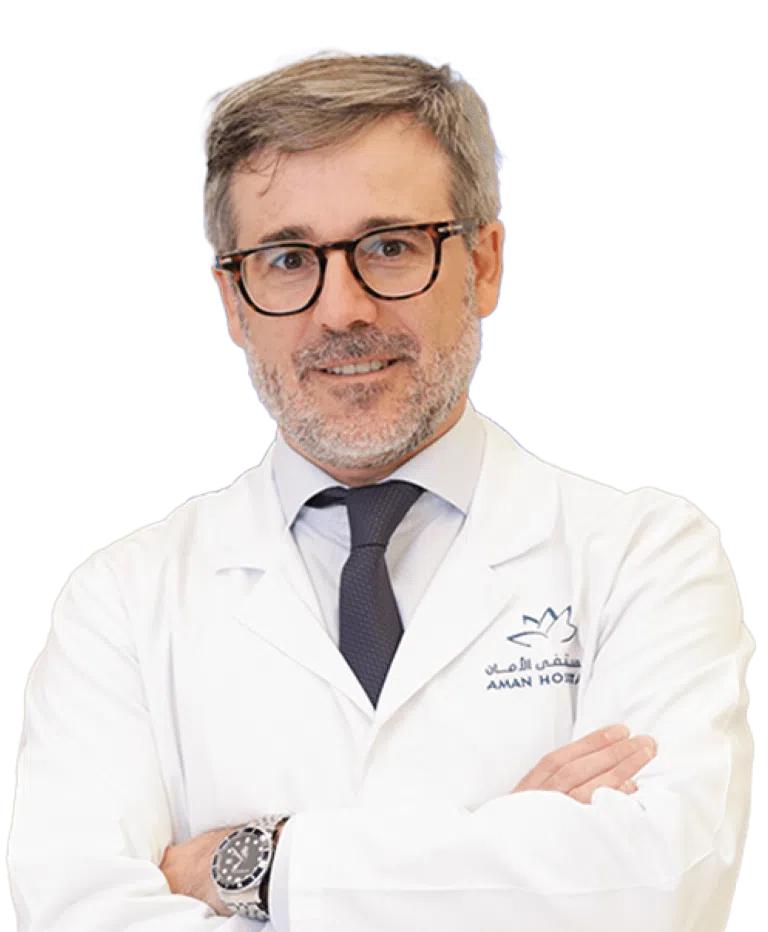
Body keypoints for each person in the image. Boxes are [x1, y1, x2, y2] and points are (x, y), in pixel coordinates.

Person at [8, 49, 753, 931]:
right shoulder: (122, 607)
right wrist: (519, 856)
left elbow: (659, 888)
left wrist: (250, 864)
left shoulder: (644, 559)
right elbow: (80, 916)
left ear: (484, 264)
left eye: (390, 247)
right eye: (289, 259)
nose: (342, 311)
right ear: (234, 300)